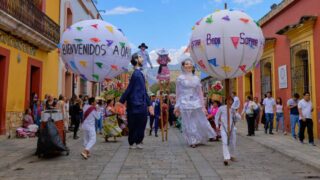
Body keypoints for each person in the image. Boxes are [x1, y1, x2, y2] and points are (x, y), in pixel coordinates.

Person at [174, 58, 216, 148]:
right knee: (188, 121)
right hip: (185, 102)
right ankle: (192, 140)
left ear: (192, 66)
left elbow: (200, 93)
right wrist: (176, 106)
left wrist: (203, 106)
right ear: (183, 66)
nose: (188, 65)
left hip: (195, 101)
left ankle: (201, 137)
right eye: (186, 64)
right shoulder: (180, 79)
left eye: (190, 64)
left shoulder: (196, 78)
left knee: (200, 119)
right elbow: (178, 92)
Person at [119, 53, 154, 149]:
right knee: (133, 123)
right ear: (136, 60)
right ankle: (132, 142)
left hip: (141, 104)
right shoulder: (135, 74)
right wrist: (121, 101)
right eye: (140, 57)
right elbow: (129, 89)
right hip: (134, 104)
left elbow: (144, 91)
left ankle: (138, 141)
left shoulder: (140, 73)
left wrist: (149, 104)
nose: (142, 59)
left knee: (142, 122)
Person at [215, 97, 241, 166]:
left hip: (232, 128)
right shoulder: (221, 108)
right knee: (224, 142)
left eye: (231, 100)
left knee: (233, 142)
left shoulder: (233, 109)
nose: (229, 101)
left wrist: (235, 112)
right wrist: (217, 125)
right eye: (228, 100)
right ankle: (226, 158)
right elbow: (216, 116)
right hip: (223, 127)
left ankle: (232, 155)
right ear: (226, 101)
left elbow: (239, 118)